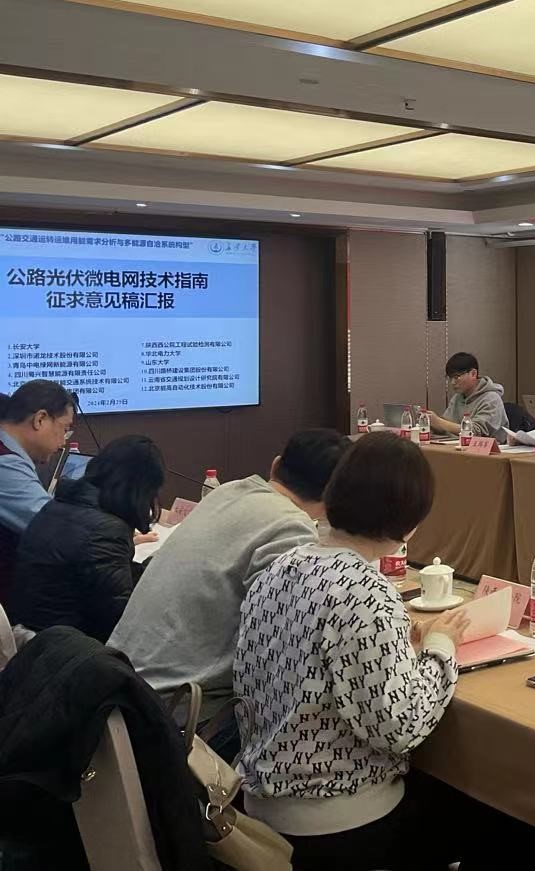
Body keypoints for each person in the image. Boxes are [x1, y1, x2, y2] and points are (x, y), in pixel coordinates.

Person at [235, 433, 468, 869]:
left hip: (260, 803)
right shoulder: (365, 591)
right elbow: (401, 725)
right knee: (485, 820)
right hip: (334, 820)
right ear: (410, 522)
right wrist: (441, 646)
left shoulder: (281, 566)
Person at [108, 429, 350, 728]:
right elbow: (278, 649)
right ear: (337, 495)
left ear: (275, 465)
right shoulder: (290, 530)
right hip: (174, 714)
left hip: (119, 684)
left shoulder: (227, 492)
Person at [10, 435, 164, 642]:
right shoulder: (107, 529)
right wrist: (162, 569)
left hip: (33, 632)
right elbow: (118, 618)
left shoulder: (57, 506)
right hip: (64, 646)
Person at [0, 380, 75, 534]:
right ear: (40, 419)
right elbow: (56, 527)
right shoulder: (5, 463)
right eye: (65, 429)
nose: (63, 442)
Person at [428, 352, 506, 438]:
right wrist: (432, 424)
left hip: (489, 446)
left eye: (456, 377)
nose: (452, 382)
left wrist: (440, 422)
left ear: (473, 374)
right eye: (450, 378)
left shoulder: (491, 399)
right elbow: (447, 426)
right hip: (458, 445)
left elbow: (476, 432)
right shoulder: (457, 397)